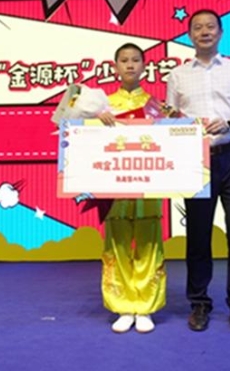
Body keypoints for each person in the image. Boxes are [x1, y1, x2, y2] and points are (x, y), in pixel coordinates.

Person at [166, 9, 230, 333]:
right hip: (197, 161)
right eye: (197, 27)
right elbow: (171, 117)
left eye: (210, 27)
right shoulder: (177, 75)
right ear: (189, 35)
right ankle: (199, 304)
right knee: (198, 235)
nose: (204, 32)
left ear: (220, 33)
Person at [97, 43, 166, 334]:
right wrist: (95, 122)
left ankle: (145, 307)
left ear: (144, 66)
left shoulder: (156, 106)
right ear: (115, 67)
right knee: (118, 245)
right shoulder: (103, 106)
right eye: (124, 60)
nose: (129, 65)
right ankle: (124, 306)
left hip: (148, 188)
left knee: (149, 245)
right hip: (114, 190)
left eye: (135, 60)